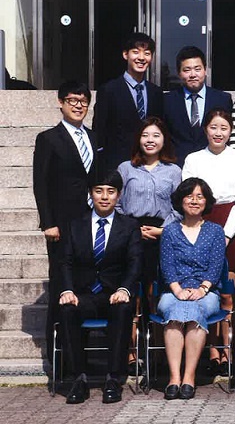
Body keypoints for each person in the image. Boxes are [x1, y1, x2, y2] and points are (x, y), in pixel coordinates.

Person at [58, 172, 142, 404]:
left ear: (119, 195)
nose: (105, 197)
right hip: (83, 295)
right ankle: (78, 379)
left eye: (111, 192)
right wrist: (67, 291)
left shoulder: (129, 226)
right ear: (91, 194)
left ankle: (113, 378)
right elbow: (64, 262)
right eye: (99, 191)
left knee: (123, 310)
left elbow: (135, 263)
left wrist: (124, 289)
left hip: (114, 294)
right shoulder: (75, 224)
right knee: (66, 311)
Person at [33, 80, 99, 363]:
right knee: (62, 285)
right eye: (72, 100)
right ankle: (58, 360)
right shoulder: (48, 139)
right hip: (61, 226)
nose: (78, 105)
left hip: (90, 225)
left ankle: (81, 357)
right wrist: (48, 222)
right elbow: (40, 184)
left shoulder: (94, 138)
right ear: (60, 103)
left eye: (83, 101)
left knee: (85, 286)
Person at [182, 108, 235, 372]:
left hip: (232, 223)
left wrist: (226, 234)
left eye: (224, 128)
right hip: (201, 221)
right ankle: (211, 349)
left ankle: (228, 349)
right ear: (205, 129)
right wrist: (204, 231)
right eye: (213, 127)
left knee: (227, 292)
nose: (218, 133)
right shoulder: (194, 159)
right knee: (205, 286)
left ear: (231, 130)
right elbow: (189, 196)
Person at [116, 117, 181, 372]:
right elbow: (116, 203)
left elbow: (180, 206)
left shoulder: (173, 171)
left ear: (164, 140)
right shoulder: (125, 169)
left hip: (163, 235)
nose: (150, 140)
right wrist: (132, 230)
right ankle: (131, 353)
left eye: (156, 135)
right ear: (138, 139)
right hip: (131, 234)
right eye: (145, 135)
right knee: (133, 293)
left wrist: (162, 230)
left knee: (157, 293)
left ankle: (158, 352)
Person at [158, 178, 226, 400]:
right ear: (181, 200)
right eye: (189, 196)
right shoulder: (170, 231)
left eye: (199, 197)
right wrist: (178, 290)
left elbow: (216, 266)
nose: (194, 201)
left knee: (194, 311)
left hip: (206, 292)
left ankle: (189, 377)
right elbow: (167, 265)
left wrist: (202, 289)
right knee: (174, 312)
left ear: (206, 202)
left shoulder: (215, 231)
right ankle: (174, 377)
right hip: (173, 290)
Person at [93, 33, 164, 174]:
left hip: (149, 165)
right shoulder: (109, 90)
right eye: (136, 52)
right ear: (125, 55)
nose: (141, 58)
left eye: (147, 53)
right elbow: (99, 131)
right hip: (117, 166)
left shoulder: (156, 92)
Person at [162, 46, 233, 167]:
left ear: (205, 70)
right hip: (177, 165)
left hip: (214, 165)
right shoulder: (167, 100)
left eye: (197, 69)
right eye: (187, 70)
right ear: (179, 73)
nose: (193, 74)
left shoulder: (222, 99)